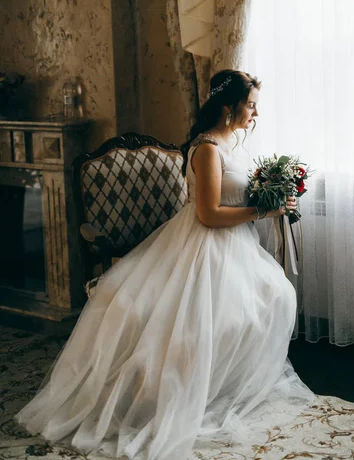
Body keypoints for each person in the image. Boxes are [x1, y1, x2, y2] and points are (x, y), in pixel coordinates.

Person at [16, 69, 315, 459]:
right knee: (207, 319)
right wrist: (262, 209)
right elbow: (208, 214)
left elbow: (239, 193)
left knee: (273, 297)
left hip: (237, 244)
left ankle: (225, 386)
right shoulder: (207, 149)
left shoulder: (232, 143)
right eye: (251, 105)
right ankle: (183, 393)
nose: (255, 114)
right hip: (206, 243)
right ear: (229, 107)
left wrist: (275, 194)